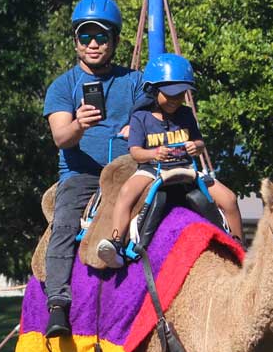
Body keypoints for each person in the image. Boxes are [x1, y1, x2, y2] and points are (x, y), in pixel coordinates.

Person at [42, 0, 148, 337]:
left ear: (114, 40)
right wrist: (80, 125)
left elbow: (159, 109)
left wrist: (143, 125)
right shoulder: (63, 87)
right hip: (82, 176)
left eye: (101, 36)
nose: (93, 43)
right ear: (75, 41)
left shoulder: (134, 81)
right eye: (85, 36)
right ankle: (58, 304)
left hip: (131, 170)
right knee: (64, 223)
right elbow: (61, 137)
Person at [96, 53, 243, 268]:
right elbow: (135, 151)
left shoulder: (186, 114)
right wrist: (153, 154)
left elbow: (199, 142)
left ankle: (238, 244)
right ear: (154, 90)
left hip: (185, 168)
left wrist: (196, 147)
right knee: (126, 193)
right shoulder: (141, 117)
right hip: (152, 169)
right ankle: (117, 242)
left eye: (181, 93)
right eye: (169, 94)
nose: (175, 99)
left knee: (229, 198)